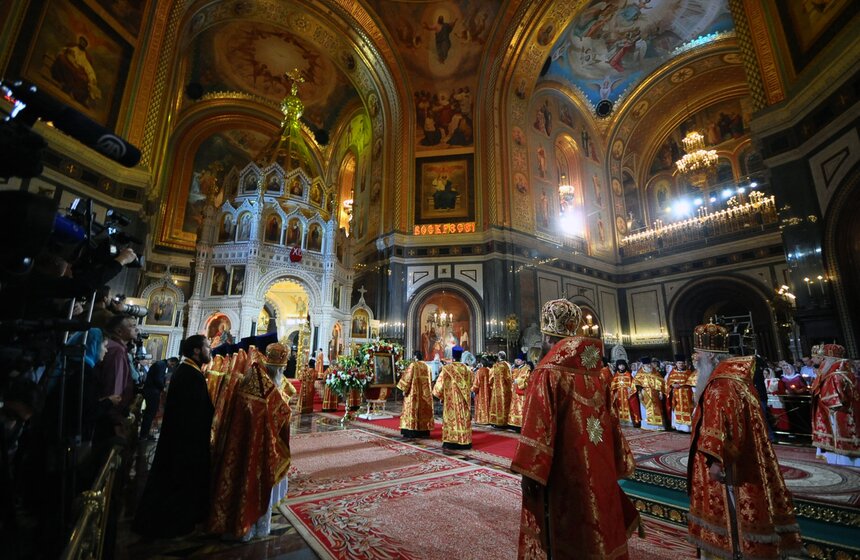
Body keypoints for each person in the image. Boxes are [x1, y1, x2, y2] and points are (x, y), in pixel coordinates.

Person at [512, 299, 640, 559]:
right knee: (599, 520)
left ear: (548, 337)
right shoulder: (599, 373)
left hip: (564, 472)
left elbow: (537, 429)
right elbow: (612, 422)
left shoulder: (547, 373)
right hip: (599, 464)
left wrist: (530, 474)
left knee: (567, 530)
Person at [687, 321, 802, 559]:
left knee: (734, 509)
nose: (694, 359)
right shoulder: (736, 379)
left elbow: (722, 427)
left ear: (709, 357)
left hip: (730, 464)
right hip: (744, 457)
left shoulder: (721, 385)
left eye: (697, 355)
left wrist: (717, 461)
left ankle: (736, 550)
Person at [208, 343, 293, 540]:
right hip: (259, 442)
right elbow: (278, 412)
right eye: (281, 369)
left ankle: (241, 523)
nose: (282, 373)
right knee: (252, 477)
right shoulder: (262, 387)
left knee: (242, 474)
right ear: (277, 368)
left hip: (246, 441)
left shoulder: (254, 379)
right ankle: (247, 525)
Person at [134, 335, 214, 538]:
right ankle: (173, 523)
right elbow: (195, 411)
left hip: (180, 437)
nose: (210, 350)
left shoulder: (188, 370)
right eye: (207, 347)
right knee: (178, 482)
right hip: (184, 441)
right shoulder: (190, 374)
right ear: (196, 351)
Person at [811, 344, 860, 466]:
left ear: (831, 360)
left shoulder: (834, 375)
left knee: (841, 443)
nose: (823, 362)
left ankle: (844, 464)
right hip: (852, 411)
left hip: (839, 414)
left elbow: (832, 400)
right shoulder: (849, 372)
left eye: (824, 359)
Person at [432, 346, 472, 449]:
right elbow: (472, 384)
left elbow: (439, 387)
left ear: (453, 356)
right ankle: (464, 440)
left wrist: (439, 396)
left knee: (451, 419)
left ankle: (451, 441)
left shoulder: (447, 369)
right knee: (463, 418)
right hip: (464, 400)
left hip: (450, 400)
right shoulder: (467, 369)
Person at [139, 357, 179, 441]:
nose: (171, 367)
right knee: (149, 414)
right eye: (172, 365)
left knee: (151, 413)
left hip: (152, 391)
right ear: (171, 361)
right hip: (152, 392)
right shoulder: (161, 365)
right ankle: (143, 435)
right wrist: (163, 388)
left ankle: (145, 434)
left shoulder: (162, 364)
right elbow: (158, 379)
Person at [397, 351, 434, 437]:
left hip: (414, 394)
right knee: (423, 412)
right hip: (425, 395)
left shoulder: (413, 365)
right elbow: (431, 380)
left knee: (412, 410)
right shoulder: (428, 367)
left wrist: (404, 389)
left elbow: (407, 378)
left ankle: (411, 431)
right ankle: (423, 431)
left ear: (415, 357)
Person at [633, 356, 666, 430]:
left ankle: (658, 426)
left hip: (655, 393)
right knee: (646, 409)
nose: (649, 365)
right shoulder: (639, 374)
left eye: (649, 364)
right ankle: (647, 425)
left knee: (657, 408)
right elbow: (637, 385)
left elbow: (661, 383)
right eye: (647, 364)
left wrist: (661, 392)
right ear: (643, 365)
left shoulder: (655, 372)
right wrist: (639, 393)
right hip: (645, 393)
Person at [665, 355, 694, 432]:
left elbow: (692, 382)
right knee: (677, 409)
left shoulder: (689, 372)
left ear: (684, 363)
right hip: (677, 395)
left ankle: (687, 428)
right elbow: (668, 383)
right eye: (679, 363)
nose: (681, 364)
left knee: (688, 410)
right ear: (676, 364)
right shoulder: (672, 373)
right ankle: (679, 427)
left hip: (687, 394)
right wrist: (672, 385)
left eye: (682, 363)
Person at [610, 359, 641, 427]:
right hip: (619, 395)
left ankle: (630, 421)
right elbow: (613, 387)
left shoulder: (628, 374)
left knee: (629, 406)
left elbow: (633, 385)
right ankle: (621, 421)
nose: (621, 367)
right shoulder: (616, 375)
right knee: (619, 407)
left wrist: (630, 390)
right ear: (618, 366)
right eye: (620, 365)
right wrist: (614, 393)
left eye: (623, 365)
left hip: (627, 394)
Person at [507, 355, 532, 431]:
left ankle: (521, 424)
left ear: (523, 361)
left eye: (519, 360)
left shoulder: (526, 368)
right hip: (515, 391)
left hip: (521, 392)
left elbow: (526, 378)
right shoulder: (515, 368)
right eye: (516, 359)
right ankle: (514, 423)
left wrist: (517, 381)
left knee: (520, 407)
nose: (517, 361)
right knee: (514, 408)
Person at [488, 351, 512, 428]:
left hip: (496, 389)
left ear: (499, 356)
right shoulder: (507, 365)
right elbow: (508, 378)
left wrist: (492, 385)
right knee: (504, 404)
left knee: (496, 405)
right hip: (504, 389)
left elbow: (490, 378)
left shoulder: (495, 366)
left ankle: (496, 421)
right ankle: (504, 421)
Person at [471, 354, 493, 424]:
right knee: (489, 404)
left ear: (481, 363)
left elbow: (476, 384)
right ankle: (489, 419)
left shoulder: (479, 371)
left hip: (481, 393)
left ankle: (482, 419)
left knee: (481, 405)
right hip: (489, 392)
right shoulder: (490, 370)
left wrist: (472, 389)